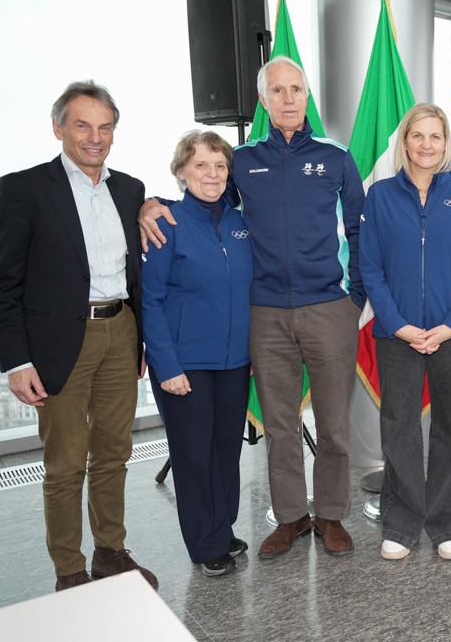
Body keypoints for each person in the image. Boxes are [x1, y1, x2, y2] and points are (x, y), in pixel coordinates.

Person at [140, 56, 366, 559]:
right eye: (277, 91)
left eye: (296, 89)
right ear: (263, 100)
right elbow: (208, 204)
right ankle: (291, 516)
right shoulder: (242, 160)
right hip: (263, 313)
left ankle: (331, 515)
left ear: (307, 96)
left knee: (333, 425)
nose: (288, 98)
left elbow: (358, 228)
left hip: (330, 308)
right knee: (280, 425)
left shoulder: (335, 156)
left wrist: (355, 299)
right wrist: (151, 204)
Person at [0, 81, 156, 591]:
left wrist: (140, 340)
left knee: (114, 453)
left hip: (121, 332)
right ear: (58, 128)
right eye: (82, 125)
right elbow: (0, 284)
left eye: (105, 127)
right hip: (59, 342)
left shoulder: (130, 189)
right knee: (64, 464)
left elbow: (135, 270)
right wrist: (16, 362)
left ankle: (110, 552)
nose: (94, 137)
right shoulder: (22, 190)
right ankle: (69, 572)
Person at [359, 104, 451, 561]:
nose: (426, 145)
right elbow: (370, 269)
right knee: (399, 428)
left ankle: (449, 521)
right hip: (398, 335)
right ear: (405, 142)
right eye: (418, 135)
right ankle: (403, 522)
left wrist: (449, 327)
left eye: (435, 136)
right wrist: (400, 326)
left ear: (446, 143)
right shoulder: (380, 196)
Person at [142, 130, 254, 577]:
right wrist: (166, 366)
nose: (212, 174)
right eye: (201, 165)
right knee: (193, 455)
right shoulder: (165, 223)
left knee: (226, 451)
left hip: (234, 361)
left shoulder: (240, 223)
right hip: (184, 364)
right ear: (181, 171)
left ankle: (222, 529)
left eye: (220, 165)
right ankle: (205, 544)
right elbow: (150, 301)